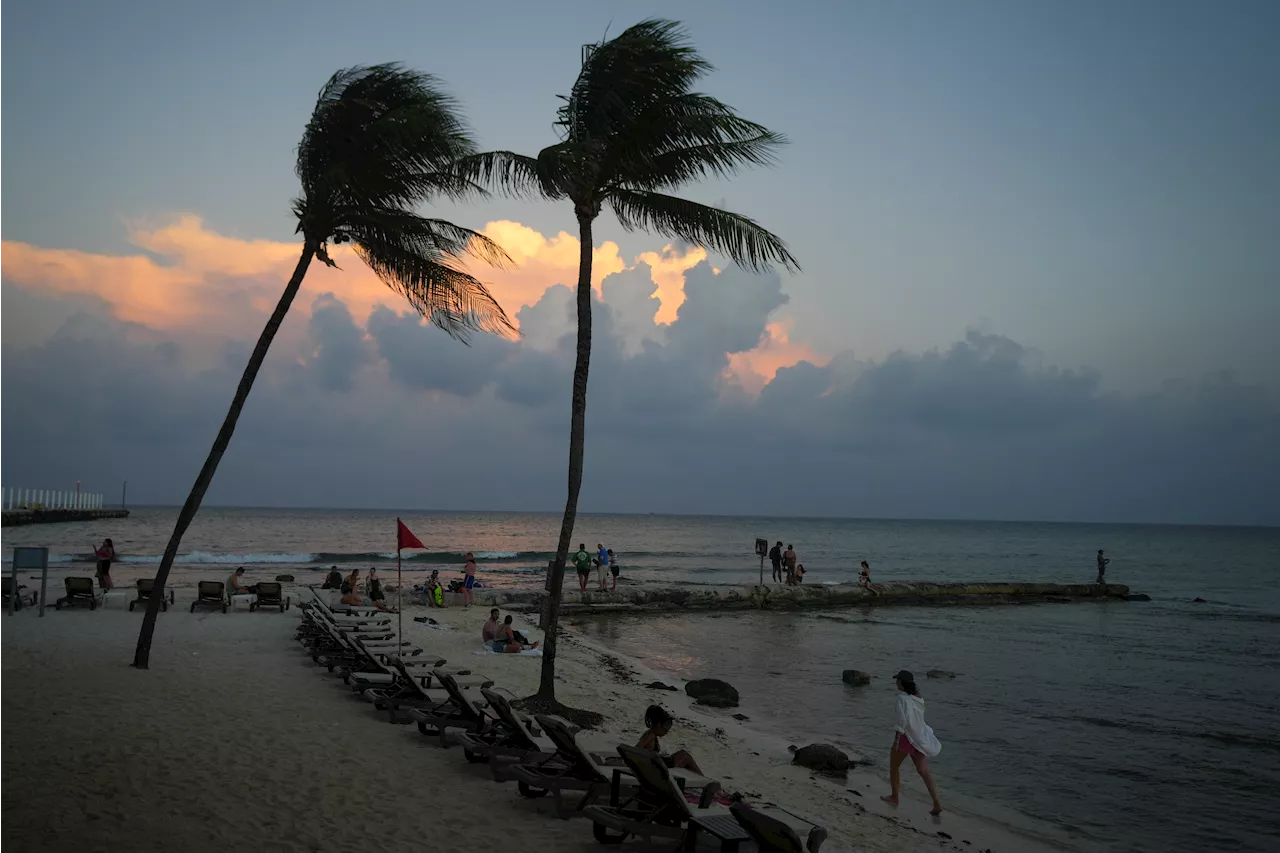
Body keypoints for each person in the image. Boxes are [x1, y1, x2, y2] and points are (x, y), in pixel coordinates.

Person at [881, 669, 943, 816]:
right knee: (924, 772)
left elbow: (902, 721)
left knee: (894, 767)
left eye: (897, 680)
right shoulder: (918, 697)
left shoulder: (901, 698)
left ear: (902, 683)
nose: (896, 682)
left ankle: (894, 797)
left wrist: (896, 740)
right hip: (920, 738)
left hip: (906, 737)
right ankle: (937, 803)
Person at [637, 705, 704, 774]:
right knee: (686, 757)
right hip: (659, 766)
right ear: (659, 725)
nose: (665, 733)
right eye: (665, 731)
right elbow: (637, 749)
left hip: (661, 762)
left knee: (683, 753)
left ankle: (698, 778)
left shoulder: (650, 734)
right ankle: (702, 778)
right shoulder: (650, 735)